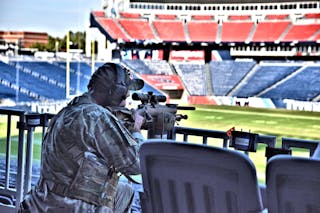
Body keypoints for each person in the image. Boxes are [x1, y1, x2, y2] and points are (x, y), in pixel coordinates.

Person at [19, 62, 145, 213]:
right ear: (114, 92)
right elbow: (135, 163)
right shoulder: (96, 116)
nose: (126, 100)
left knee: (124, 191)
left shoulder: (69, 110)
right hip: (73, 206)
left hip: (43, 200)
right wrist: (136, 129)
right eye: (125, 95)